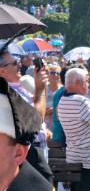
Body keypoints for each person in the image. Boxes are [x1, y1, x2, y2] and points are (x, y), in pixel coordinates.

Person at [0, 51, 53, 184]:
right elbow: (34, 121)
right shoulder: (7, 94)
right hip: (26, 155)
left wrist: (42, 85)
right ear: (2, 71)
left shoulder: (17, 89)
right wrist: (40, 89)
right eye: (14, 63)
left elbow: (38, 107)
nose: (19, 65)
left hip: (32, 152)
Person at [58, 68, 90, 191]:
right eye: (86, 81)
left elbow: (87, 111)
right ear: (79, 82)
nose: (89, 84)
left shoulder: (64, 100)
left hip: (74, 161)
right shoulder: (80, 102)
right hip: (89, 162)